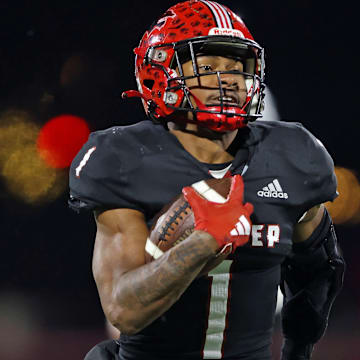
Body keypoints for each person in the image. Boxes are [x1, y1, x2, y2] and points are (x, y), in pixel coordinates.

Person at [69, 1, 345, 359]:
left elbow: (320, 268)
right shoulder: (124, 160)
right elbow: (124, 311)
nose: (227, 77)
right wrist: (202, 244)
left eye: (237, 67)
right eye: (209, 64)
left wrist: (299, 348)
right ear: (162, 70)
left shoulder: (292, 155)